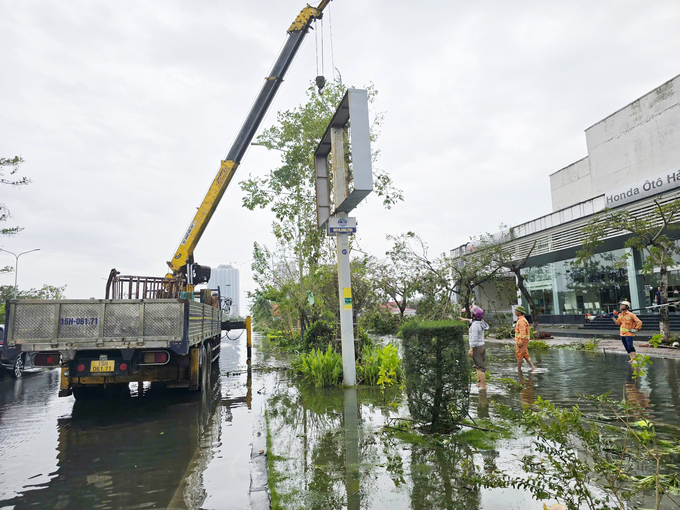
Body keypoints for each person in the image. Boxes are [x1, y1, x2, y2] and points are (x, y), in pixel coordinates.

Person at [461, 306, 489, 390]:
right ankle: (480, 382)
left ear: (474, 315)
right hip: (482, 346)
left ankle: (483, 385)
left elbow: (474, 338)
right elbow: (473, 321)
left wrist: (471, 349)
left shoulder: (474, 326)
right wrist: (465, 319)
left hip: (476, 347)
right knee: (478, 365)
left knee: (480, 367)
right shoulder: (481, 322)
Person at [514, 305, 536, 371]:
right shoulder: (522, 320)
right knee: (525, 354)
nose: (515, 312)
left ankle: (519, 369)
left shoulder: (521, 320)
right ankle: (533, 367)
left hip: (522, 341)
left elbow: (522, 331)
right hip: (523, 340)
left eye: (516, 310)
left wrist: (520, 341)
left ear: (519, 312)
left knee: (519, 354)